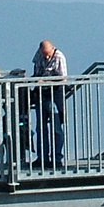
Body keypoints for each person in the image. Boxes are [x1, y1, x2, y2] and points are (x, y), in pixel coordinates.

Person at [31, 40, 69, 168]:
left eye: (48, 54)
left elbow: (63, 78)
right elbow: (36, 73)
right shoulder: (38, 56)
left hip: (54, 95)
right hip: (41, 95)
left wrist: (47, 80)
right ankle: (42, 158)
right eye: (44, 54)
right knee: (40, 128)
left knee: (56, 129)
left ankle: (57, 158)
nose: (46, 57)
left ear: (52, 49)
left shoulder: (59, 57)